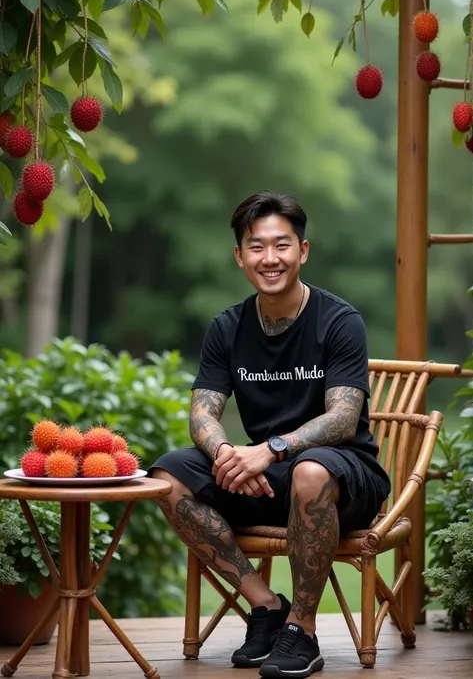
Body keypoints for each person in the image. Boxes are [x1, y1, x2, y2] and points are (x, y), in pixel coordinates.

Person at [149, 191, 391, 679]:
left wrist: (270, 449)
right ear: (240, 257)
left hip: (345, 476)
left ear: (303, 250)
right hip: (266, 477)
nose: (270, 258)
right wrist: (225, 454)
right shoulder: (227, 327)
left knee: (309, 469)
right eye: (256, 247)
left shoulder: (340, 321)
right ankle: (267, 606)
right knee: (167, 475)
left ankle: (303, 631)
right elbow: (202, 414)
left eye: (282, 245)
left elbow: (343, 419)